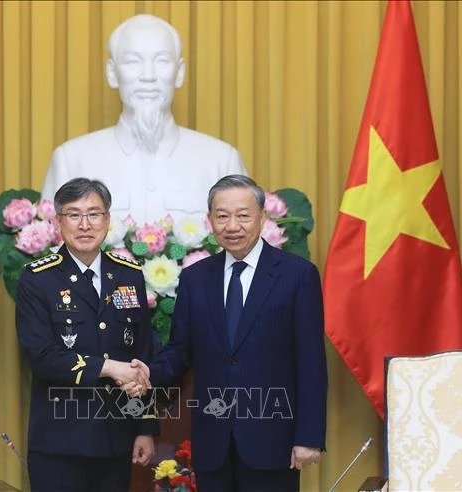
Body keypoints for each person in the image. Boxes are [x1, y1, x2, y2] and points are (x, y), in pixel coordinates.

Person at [131, 175, 328, 491]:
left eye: (243, 215)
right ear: (210, 221)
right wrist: (148, 372)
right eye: (222, 216)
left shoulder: (297, 275)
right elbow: (180, 350)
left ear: (262, 218)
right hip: (213, 443)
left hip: (273, 442)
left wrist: (308, 437)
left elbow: (311, 363)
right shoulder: (196, 278)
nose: (232, 225)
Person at [15, 178, 158, 491]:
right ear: (58, 222)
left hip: (116, 440)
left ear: (107, 220)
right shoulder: (38, 280)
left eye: (94, 214)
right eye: (74, 215)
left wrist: (145, 427)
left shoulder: (128, 274)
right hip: (60, 442)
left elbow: (143, 353)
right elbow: (42, 358)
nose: (85, 225)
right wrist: (108, 368)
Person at [41, 14, 247, 225]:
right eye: (132, 61)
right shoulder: (71, 160)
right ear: (112, 72)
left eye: (162, 61)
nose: (148, 76)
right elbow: (52, 249)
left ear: (180, 73)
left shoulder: (221, 161)